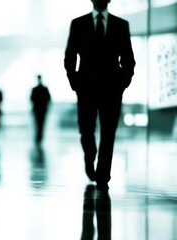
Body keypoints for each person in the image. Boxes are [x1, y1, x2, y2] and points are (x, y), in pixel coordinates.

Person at [64, 0, 135, 190]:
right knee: (86, 129)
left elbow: (129, 59)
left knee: (108, 132)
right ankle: (90, 157)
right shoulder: (78, 24)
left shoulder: (121, 25)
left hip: (112, 89)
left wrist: (122, 84)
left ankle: (103, 174)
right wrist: (75, 81)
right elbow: (70, 55)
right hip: (85, 87)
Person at [30, 75, 51, 144]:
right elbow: (48, 99)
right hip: (42, 109)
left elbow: (31, 99)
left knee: (37, 124)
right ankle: (40, 137)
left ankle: (38, 137)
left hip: (37, 109)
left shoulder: (35, 89)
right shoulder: (44, 89)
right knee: (41, 124)